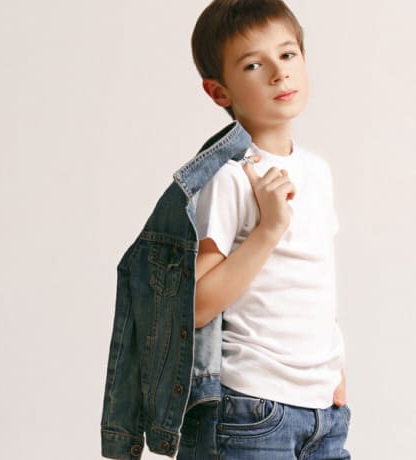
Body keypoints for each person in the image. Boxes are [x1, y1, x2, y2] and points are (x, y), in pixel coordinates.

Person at [176, 0, 352, 458]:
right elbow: (193, 306)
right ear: (219, 92)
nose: (279, 73)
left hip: (324, 411)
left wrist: (335, 366)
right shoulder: (231, 176)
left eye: (288, 54)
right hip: (252, 409)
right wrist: (269, 229)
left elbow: (311, 279)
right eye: (254, 65)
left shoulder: (318, 171)